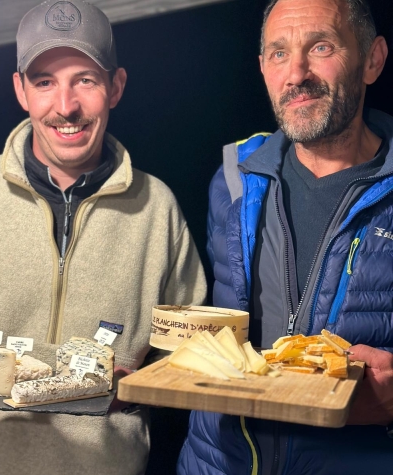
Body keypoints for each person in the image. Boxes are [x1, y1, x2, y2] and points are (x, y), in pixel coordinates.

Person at [0, 1, 206, 474]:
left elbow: (191, 353)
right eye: (44, 81)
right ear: (20, 91)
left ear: (116, 87)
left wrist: (136, 384)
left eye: (85, 80)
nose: (66, 106)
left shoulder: (158, 209)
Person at [178, 0, 393, 473]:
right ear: (262, 68)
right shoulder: (233, 178)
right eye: (278, 53)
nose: (295, 73)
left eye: (320, 46)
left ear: (372, 59)